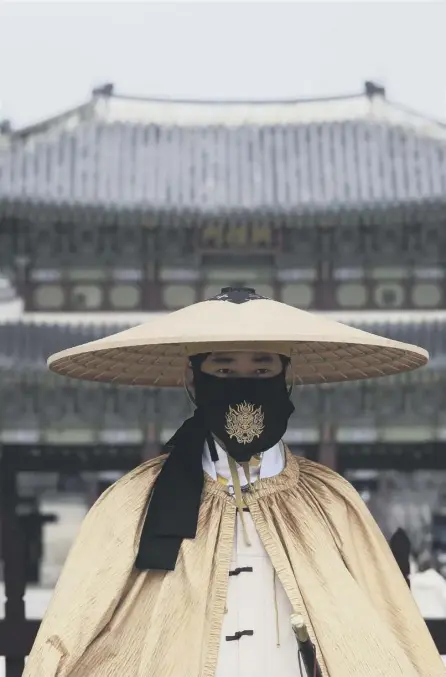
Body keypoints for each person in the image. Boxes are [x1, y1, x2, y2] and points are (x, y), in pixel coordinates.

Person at [24, 287, 445, 677]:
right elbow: (68, 628)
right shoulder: (133, 501)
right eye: (223, 370)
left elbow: (392, 627)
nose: (243, 385)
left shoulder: (330, 500)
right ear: (194, 381)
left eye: (262, 369)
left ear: (286, 378)